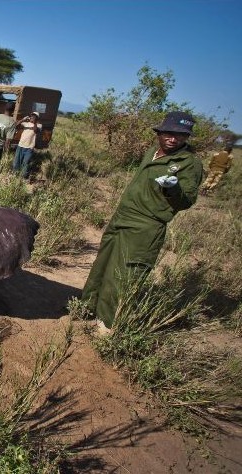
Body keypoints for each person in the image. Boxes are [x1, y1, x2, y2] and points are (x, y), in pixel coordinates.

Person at [82, 111, 203, 331]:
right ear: (160, 132)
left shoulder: (189, 163)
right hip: (122, 216)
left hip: (146, 225)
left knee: (124, 274)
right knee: (103, 265)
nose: (173, 138)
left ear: (186, 137)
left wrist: (173, 188)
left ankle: (107, 324)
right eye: (169, 132)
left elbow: (187, 200)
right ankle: (86, 308)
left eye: (180, 135)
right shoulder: (152, 152)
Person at [13, 111, 41, 179]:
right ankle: (15, 176)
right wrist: (23, 119)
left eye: (34, 116)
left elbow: (35, 130)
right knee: (17, 162)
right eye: (31, 116)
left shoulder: (39, 125)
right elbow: (15, 125)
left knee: (26, 163)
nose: (32, 117)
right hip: (20, 145)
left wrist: (34, 122)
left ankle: (23, 177)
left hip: (29, 147)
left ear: (37, 118)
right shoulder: (26, 123)